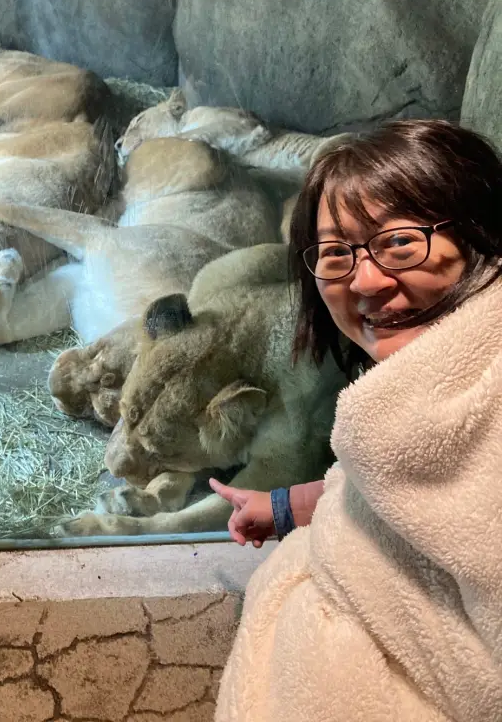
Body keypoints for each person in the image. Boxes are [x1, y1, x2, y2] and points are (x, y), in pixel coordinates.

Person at [211, 119, 502, 722]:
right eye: (337, 254)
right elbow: (392, 493)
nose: (365, 280)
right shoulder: (418, 391)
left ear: (481, 234)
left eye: (399, 243)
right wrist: (286, 506)